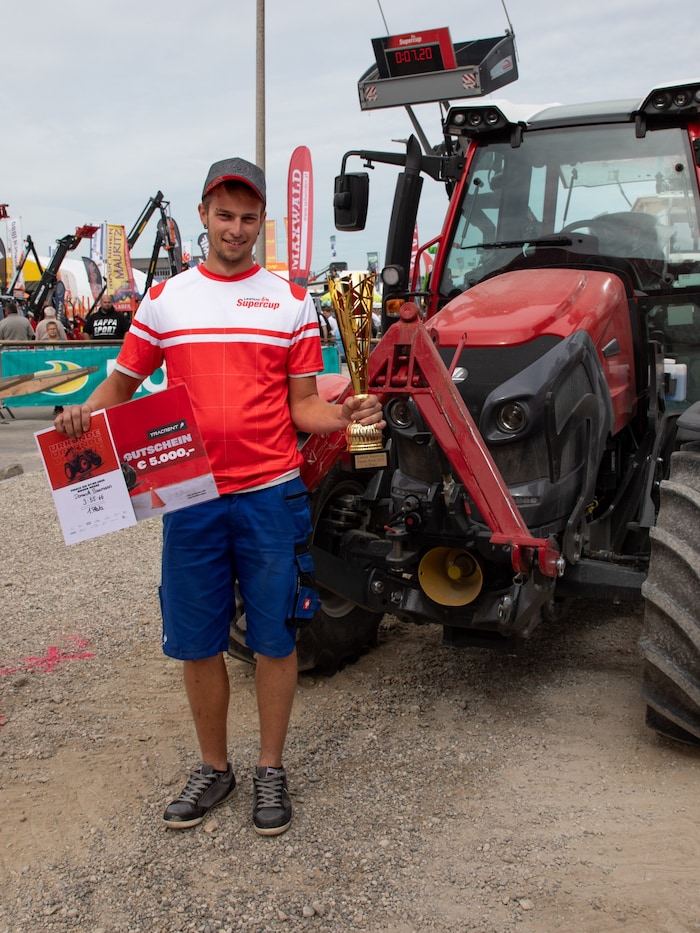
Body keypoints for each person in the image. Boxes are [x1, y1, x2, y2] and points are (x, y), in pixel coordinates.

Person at [55, 156, 385, 837]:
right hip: (190, 500)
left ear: (260, 223)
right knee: (197, 642)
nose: (235, 228)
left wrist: (351, 414)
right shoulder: (166, 299)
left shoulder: (290, 303)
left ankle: (269, 767)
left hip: (270, 495)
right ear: (203, 215)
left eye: (248, 217)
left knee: (273, 638)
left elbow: (302, 408)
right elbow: (121, 385)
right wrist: (82, 414)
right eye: (224, 215)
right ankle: (215, 766)